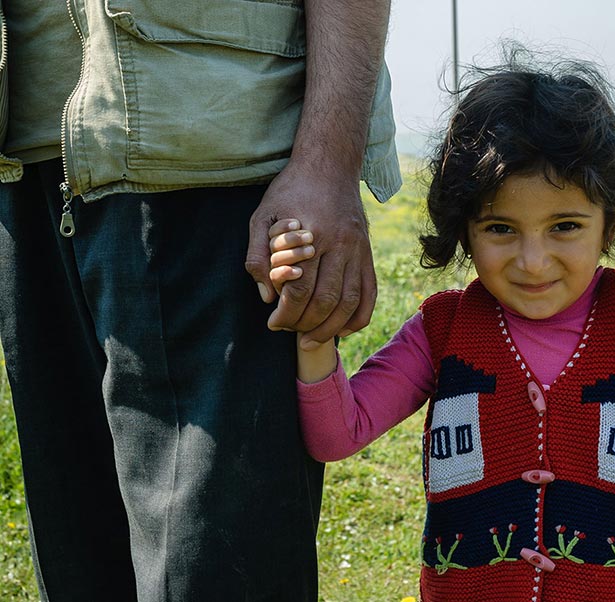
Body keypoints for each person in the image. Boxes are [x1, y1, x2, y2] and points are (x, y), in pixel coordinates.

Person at [269, 52, 615, 601]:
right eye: (500, 228)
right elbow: (337, 435)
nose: (532, 261)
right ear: (463, 230)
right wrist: (318, 335)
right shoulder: (441, 332)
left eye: (564, 226)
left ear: (610, 223)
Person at [0, 1, 400, 601]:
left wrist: (326, 164)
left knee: (219, 576)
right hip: (25, 172)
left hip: (224, 171)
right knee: (78, 566)